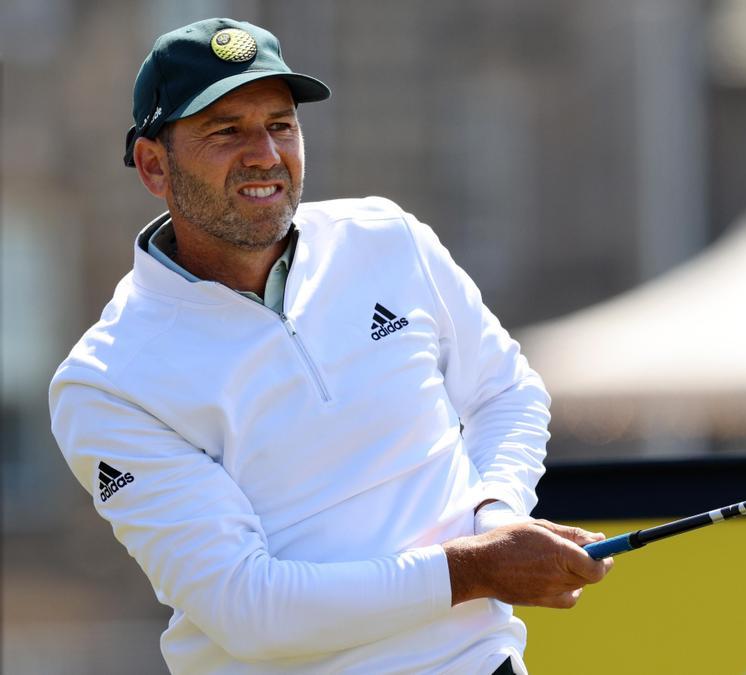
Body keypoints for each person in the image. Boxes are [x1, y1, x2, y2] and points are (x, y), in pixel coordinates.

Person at [48, 18, 611, 675]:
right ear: (153, 165)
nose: (264, 153)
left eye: (280, 124)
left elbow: (505, 392)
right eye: (226, 131)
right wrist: (478, 566)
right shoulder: (107, 381)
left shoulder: (387, 237)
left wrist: (495, 513)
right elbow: (246, 607)